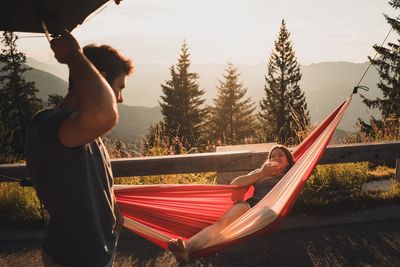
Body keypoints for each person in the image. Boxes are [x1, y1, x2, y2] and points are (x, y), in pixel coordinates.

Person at [25, 30, 134, 267]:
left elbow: (91, 182)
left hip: (95, 252)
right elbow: (105, 113)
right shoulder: (51, 125)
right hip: (74, 259)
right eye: (119, 86)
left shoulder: (81, 130)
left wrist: (113, 210)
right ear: (102, 81)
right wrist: (73, 56)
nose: (121, 97)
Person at [167, 145, 295, 264]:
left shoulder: (291, 175)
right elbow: (236, 183)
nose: (275, 158)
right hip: (251, 205)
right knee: (221, 224)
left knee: (263, 215)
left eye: (280, 155)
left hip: (273, 207)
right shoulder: (260, 172)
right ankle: (186, 248)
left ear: (288, 162)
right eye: (272, 156)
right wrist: (262, 173)